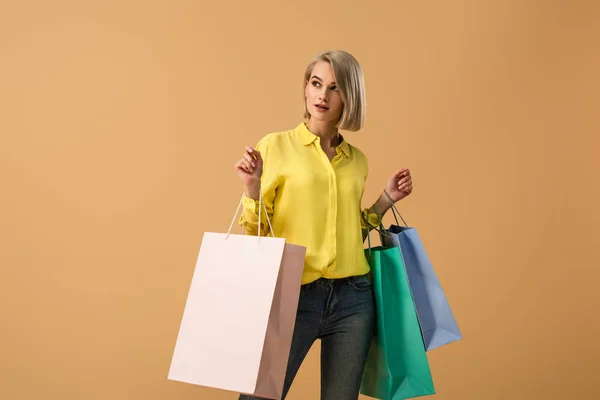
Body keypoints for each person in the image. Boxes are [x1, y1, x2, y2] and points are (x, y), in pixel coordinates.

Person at [234, 50, 413, 400]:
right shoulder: (275, 146)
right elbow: (256, 236)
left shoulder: (357, 160)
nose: (323, 95)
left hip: (354, 299)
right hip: (294, 293)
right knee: (258, 397)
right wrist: (251, 187)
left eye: (335, 87)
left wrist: (385, 200)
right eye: (316, 84)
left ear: (349, 97)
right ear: (305, 88)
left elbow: (351, 233)